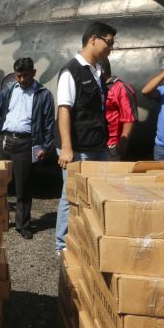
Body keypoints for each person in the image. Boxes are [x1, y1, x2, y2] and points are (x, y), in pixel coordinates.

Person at [54, 21, 116, 254]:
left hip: (97, 145)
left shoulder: (97, 71)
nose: (111, 47)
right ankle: (62, 245)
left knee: (95, 195)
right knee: (70, 196)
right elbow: (64, 110)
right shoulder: (71, 71)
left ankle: (87, 239)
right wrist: (67, 148)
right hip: (78, 148)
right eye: (109, 42)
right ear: (93, 39)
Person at [0, 57, 55, 240]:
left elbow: (49, 124)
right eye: (18, 76)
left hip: (25, 144)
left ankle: (23, 225)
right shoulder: (9, 90)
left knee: (23, 187)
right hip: (3, 141)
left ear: (33, 73)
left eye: (25, 75)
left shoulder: (43, 94)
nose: (22, 79)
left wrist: (45, 147)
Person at [99, 58, 138, 160]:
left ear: (102, 70)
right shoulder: (98, 86)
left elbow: (129, 118)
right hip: (97, 144)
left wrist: (122, 144)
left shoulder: (120, 87)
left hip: (113, 146)